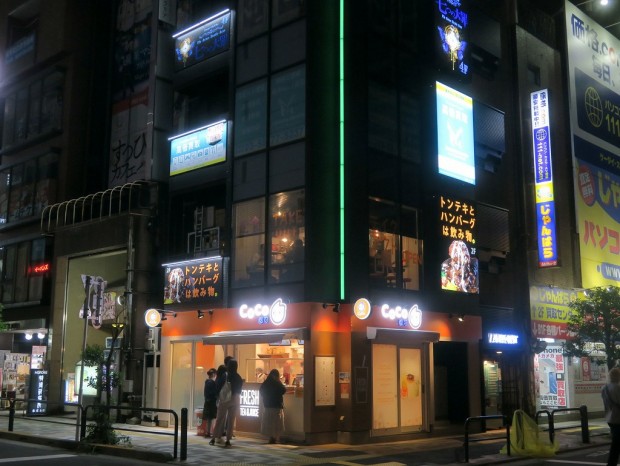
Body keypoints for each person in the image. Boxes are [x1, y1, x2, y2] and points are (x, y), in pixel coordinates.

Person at [210, 358, 243, 447]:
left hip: (225, 399)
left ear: (228, 366)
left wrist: (218, 395)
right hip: (235, 398)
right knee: (231, 420)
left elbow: (218, 385)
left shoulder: (225, 375)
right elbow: (240, 389)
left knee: (220, 418)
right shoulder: (238, 377)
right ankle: (228, 440)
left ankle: (214, 438)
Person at [259, 369, 286, 444]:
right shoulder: (277, 383)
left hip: (267, 405)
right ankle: (275, 437)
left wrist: (266, 397)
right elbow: (283, 390)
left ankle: (271, 437)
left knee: (269, 422)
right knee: (276, 423)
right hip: (276, 405)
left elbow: (261, 391)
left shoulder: (266, 383)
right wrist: (279, 381)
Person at [602, 367, 620, 466]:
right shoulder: (617, 388)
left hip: (609, 418)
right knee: (616, 445)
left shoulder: (604, 388)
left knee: (616, 442)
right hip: (618, 418)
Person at [202, 368, 217, 437]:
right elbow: (214, 393)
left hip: (207, 402)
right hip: (211, 402)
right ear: (213, 374)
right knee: (211, 418)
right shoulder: (212, 382)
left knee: (209, 418)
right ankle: (210, 432)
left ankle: (208, 432)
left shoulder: (207, 382)